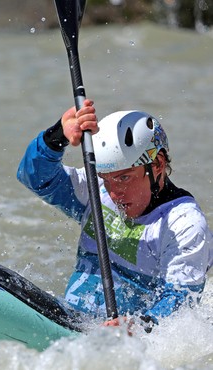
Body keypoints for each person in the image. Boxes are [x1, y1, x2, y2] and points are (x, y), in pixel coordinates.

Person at [16, 99, 213, 330]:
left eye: (124, 178)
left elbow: (180, 304)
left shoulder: (184, 225)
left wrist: (137, 326)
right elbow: (35, 178)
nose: (114, 192)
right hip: (71, 320)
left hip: (121, 339)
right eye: (105, 178)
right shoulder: (97, 191)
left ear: (157, 164)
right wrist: (57, 135)